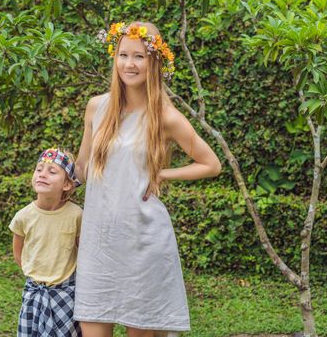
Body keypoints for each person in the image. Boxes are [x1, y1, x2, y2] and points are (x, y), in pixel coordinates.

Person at [73, 22, 222, 337]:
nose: (129, 64)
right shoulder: (96, 108)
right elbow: (82, 169)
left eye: (139, 56)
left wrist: (162, 174)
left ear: (154, 61)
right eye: (123, 54)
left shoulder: (164, 117)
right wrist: (54, 177)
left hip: (142, 242)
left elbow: (210, 164)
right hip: (98, 242)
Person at [9, 148, 83, 337]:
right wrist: (34, 275)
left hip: (66, 294)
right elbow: (18, 252)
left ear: (66, 184)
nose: (42, 174)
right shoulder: (23, 216)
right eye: (39, 169)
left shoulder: (76, 215)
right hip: (34, 292)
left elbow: (82, 252)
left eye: (52, 172)